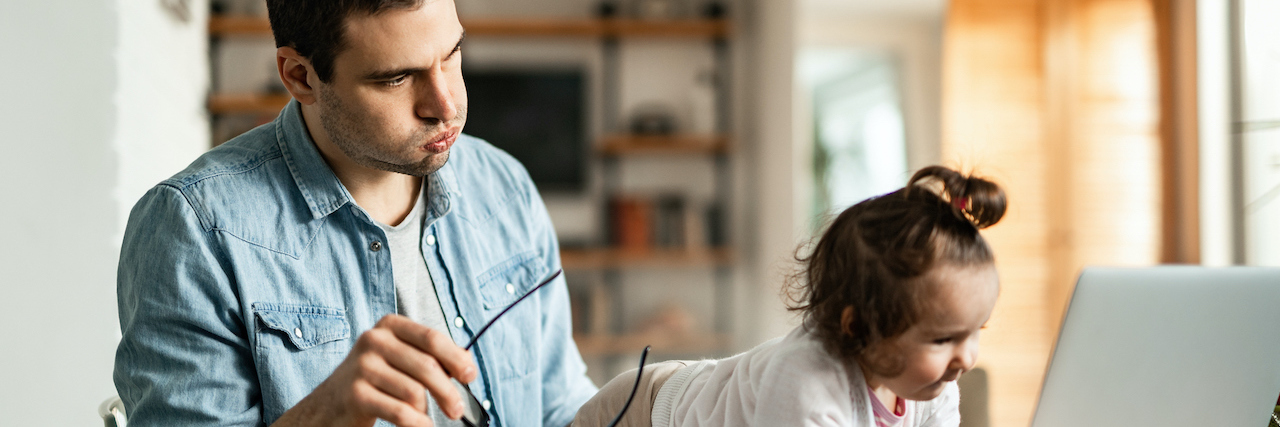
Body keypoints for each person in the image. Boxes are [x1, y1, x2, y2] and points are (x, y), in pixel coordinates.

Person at [113, 1, 597, 426]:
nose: (445, 105)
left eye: (451, 55)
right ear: (300, 76)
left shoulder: (504, 185)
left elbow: (557, 407)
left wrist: (653, 402)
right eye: (395, 78)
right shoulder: (195, 230)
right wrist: (324, 418)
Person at [572, 166, 1007, 427]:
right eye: (942, 339)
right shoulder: (806, 380)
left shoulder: (934, 385)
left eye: (975, 332)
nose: (966, 358)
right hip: (641, 413)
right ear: (858, 327)